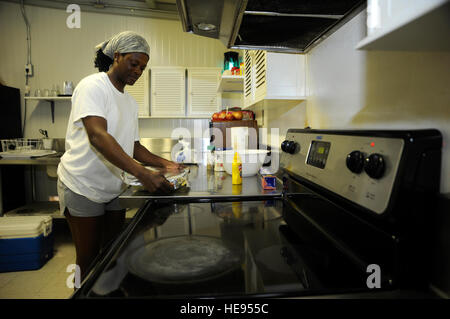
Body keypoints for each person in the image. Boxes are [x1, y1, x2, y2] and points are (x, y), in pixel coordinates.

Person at [57, 31, 184, 282]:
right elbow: (97, 136)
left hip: (114, 187)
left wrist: (165, 163)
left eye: (143, 67)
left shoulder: (129, 102)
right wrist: (142, 173)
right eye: (134, 63)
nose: (138, 71)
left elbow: (133, 146)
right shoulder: (92, 86)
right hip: (82, 185)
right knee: (89, 257)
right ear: (117, 57)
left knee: (114, 250)